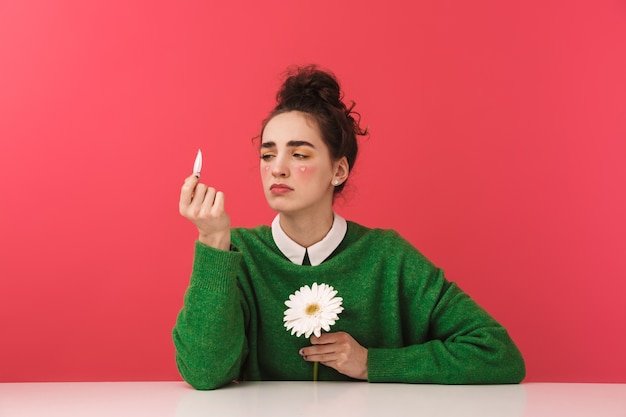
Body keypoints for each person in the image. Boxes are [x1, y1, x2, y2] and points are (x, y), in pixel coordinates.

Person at [173, 65, 525, 390]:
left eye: (299, 154)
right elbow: (204, 373)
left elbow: (498, 354)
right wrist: (214, 240)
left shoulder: (388, 257)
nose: (277, 168)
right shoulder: (239, 253)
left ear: (338, 171)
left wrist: (372, 363)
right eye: (268, 154)